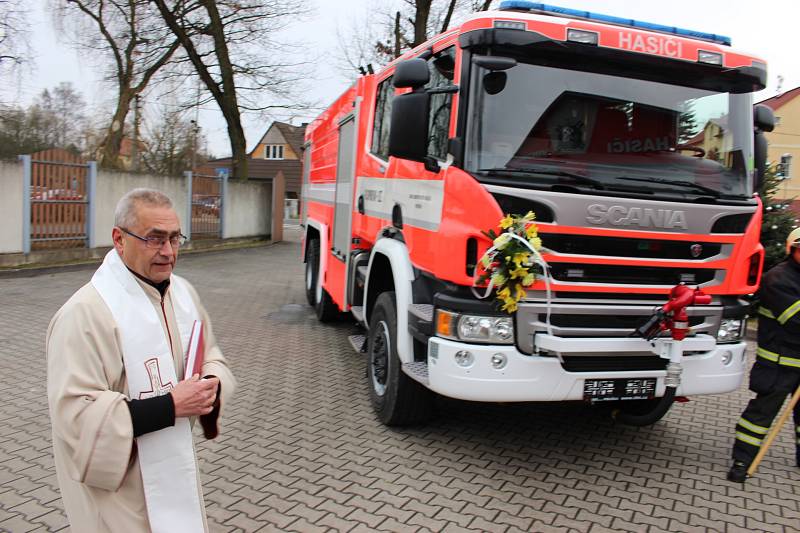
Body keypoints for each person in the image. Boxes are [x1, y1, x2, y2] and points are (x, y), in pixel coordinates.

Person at [47, 188, 236, 531]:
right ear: (119, 239)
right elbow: (74, 416)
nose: (168, 252)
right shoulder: (84, 314)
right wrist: (169, 406)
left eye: (175, 238)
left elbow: (209, 354)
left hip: (172, 469)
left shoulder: (182, 293)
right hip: (121, 489)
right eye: (155, 239)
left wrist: (212, 382)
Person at [727, 228, 800, 482]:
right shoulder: (778, 279)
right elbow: (795, 319)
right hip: (779, 362)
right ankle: (742, 460)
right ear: (793, 250)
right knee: (761, 415)